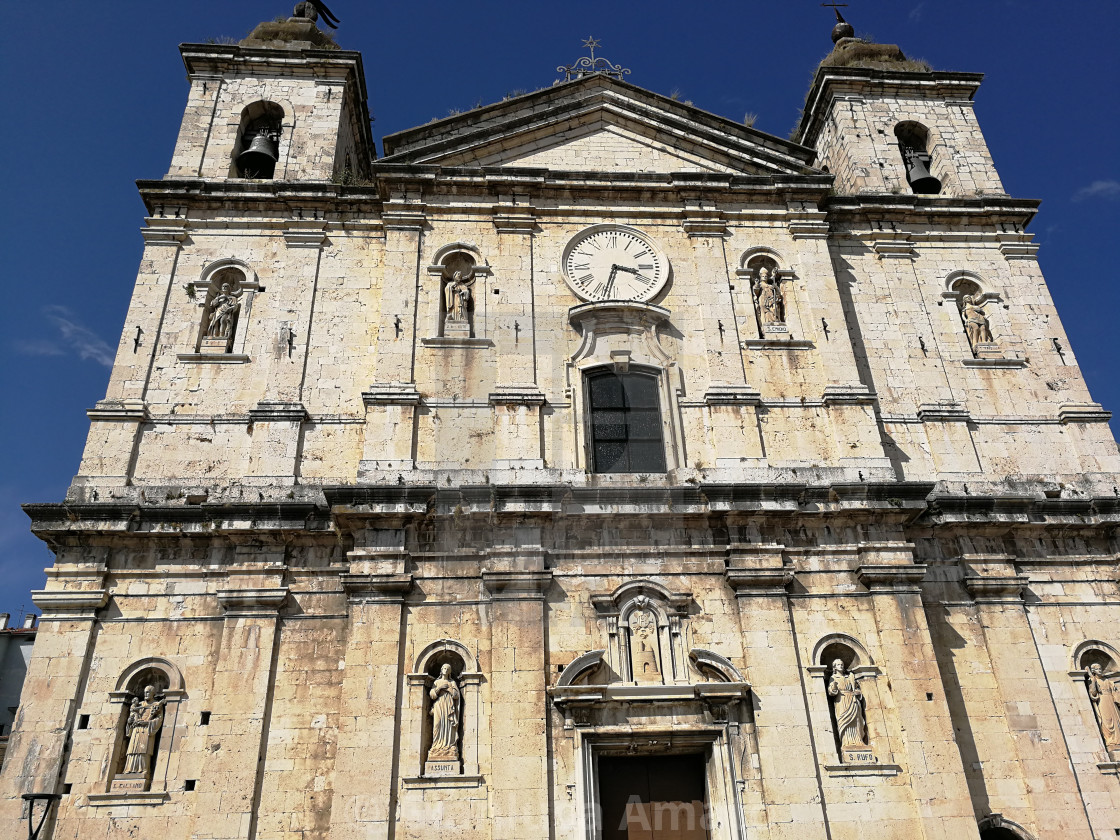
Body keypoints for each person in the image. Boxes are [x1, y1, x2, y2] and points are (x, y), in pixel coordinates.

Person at [123, 685, 166, 776]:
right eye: (145, 692)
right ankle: (129, 769)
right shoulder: (139, 704)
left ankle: (143, 770)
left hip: (147, 730)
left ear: (153, 694)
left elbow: (159, 719)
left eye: (148, 692)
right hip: (136, 730)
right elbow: (131, 717)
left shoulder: (156, 705)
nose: (146, 694)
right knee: (132, 750)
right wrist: (129, 721)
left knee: (144, 750)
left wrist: (147, 723)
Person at [828, 659, 868, 749]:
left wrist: (858, 692)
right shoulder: (833, 678)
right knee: (844, 721)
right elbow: (831, 692)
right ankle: (847, 743)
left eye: (842, 664)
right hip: (841, 701)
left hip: (853, 700)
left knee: (857, 720)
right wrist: (833, 687)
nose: (841, 666)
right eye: (838, 665)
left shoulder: (850, 676)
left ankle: (859, 741)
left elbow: (857, 688)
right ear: (834, 667)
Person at [427, 663, 461, 762]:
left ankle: (449, 746)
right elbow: (432, 695)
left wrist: (449, 689)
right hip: (438, 705)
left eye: (447, 669)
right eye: (444, 668)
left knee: (448, 725)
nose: (445, 670)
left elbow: (456, 695)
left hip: (448, 706)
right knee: (437, 725)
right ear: (441, 670)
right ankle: (436, 746)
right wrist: (440, 688)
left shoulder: (452, 682)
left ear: (449, 671)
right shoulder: (436, 682)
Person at [1088, 663, 1120, 752]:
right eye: (1098, 669)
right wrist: (1093, 680)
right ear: (1093, 671)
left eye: (1100, 668)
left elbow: (1115, 693)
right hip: (1102, 701)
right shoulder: (1093, 680)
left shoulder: (1108, 681)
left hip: (1111, 702)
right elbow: (1093, 693)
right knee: (1106, 721)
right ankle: (1110, 742)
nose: (1100, 670)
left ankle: (1118, 741)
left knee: (1117, 721)